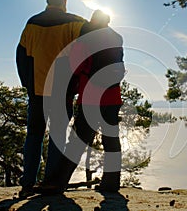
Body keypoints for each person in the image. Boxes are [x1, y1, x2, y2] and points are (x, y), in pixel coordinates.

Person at [37, 10, 125, 194]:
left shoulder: (85, 40)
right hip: (112, 97)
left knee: (77, 141)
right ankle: (111, 183)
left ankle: (57, 183)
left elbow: (75, 68)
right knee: (111, 140)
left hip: (91, 97)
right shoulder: (116, 39)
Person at [16, 0, 86, 198]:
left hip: (37, 91)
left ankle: (27, 183)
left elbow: (21, 56)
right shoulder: (76, 23)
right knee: (57, 138)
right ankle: (51, 183)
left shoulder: (32, 23)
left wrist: (28, 84)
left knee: (34, 136)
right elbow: (84, 56)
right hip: (61, 91)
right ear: (65, 1)